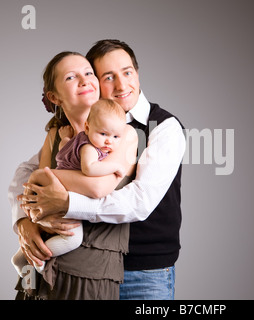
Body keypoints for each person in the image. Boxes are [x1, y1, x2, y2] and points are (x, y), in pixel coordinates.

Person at [13, 39, 186, 300]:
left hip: (145, 269)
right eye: (108, 76)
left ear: (137, 73)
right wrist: (24, 219)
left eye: (127, 72)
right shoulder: (85, 127)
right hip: (88, 262)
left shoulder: (162, 127)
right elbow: (28, 170)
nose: (121, 84)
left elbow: (139, 201)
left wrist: (65, 202)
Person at [10, 50, 138, 300]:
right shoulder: (56, 135)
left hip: (90, 270)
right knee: (29, 284)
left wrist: (50, 180)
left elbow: (97, 188)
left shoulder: (123, 133)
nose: (84, 80)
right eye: (71, 77)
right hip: (41, 260)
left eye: (89, 73)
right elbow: (35, 187)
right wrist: (30, 221)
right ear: (54, 97)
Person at [11, 98, 130, 277]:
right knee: (72, 239)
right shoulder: (89, 148)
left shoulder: (78, 140)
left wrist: (66, 138)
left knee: (45, 232)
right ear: (88, 128)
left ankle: (21, 258)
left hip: (57, 192)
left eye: (115, 137)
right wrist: (115, 167)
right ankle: (36, 259)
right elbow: (90, 168)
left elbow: (62, 150)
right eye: (104, 134)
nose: (108, 142)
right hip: (58, 195)